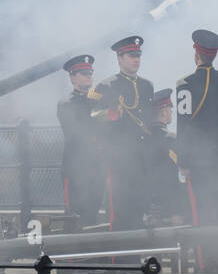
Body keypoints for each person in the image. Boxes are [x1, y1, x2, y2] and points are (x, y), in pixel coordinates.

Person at [175, 29, 218, 227]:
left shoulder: (185, 84)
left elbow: (184, 125)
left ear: (196, 54)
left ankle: (204, 257)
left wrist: (183, 161)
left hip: (198, 161)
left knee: (201, 214)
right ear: (214, 55)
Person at [88, 35, 155, 230]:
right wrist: (111, 114)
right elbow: (91, 116)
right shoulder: (106, 86)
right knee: (119, 212)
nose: (136, 60)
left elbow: (149, 120)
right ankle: (119, 259)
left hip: (141, 158)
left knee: (140, 210)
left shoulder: (147, 86)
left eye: (138, 55)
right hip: (118, 160)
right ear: (119, 58)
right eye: (131, 55)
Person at [56, 54, 103, 229]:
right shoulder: (67, 103)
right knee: (75, 215)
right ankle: (72, 256)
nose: (89, 76)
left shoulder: (97, 100)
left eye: (90, 73)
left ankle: (92, 255)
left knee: (93, 212)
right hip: (76, 169)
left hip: (96, 166)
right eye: (84, 73)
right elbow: (75, 134)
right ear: (73, 77)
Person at [144, 88, 186, 225]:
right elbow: (181, 174)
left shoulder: (141, 140)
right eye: (170, 108)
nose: (171, 112)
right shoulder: (170, 140)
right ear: (163, 112)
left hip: (147, 208)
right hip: (169, 208)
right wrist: (177, 210)